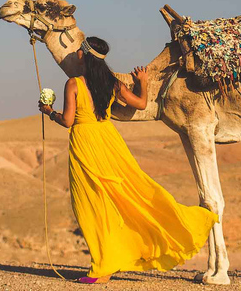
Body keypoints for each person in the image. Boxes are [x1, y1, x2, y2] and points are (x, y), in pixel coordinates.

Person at [38, 36, 218, 283]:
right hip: (109, 141)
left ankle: (102, 267)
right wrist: (142, 82)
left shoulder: (73, 84)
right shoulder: (112, 83)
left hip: (85, 143)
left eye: (80, 49)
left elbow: (68, 121)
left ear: (84, 55)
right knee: (129, 195)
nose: (77, 52)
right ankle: (109, 261)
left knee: (91, 206)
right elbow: (141, 104)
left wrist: (49, 112)